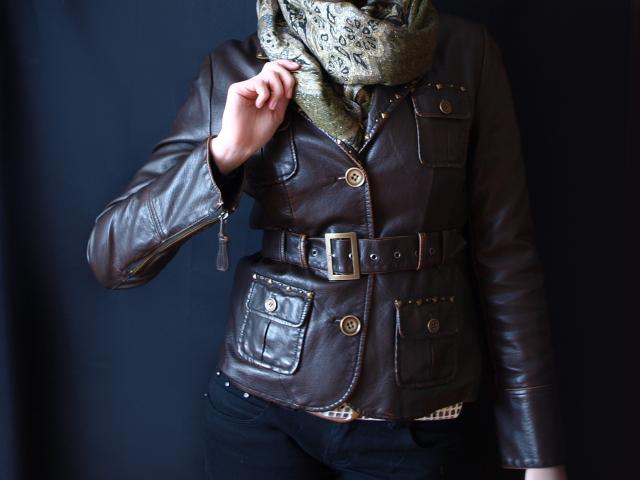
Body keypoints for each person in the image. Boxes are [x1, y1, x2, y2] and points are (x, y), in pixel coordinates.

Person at [86, 1, 568, 479]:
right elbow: (113, 256)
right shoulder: (236, 66)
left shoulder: (466, 53)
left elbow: (506, 254)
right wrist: (225, 153)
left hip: (418, 410)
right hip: (262, 411)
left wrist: (538, 451)